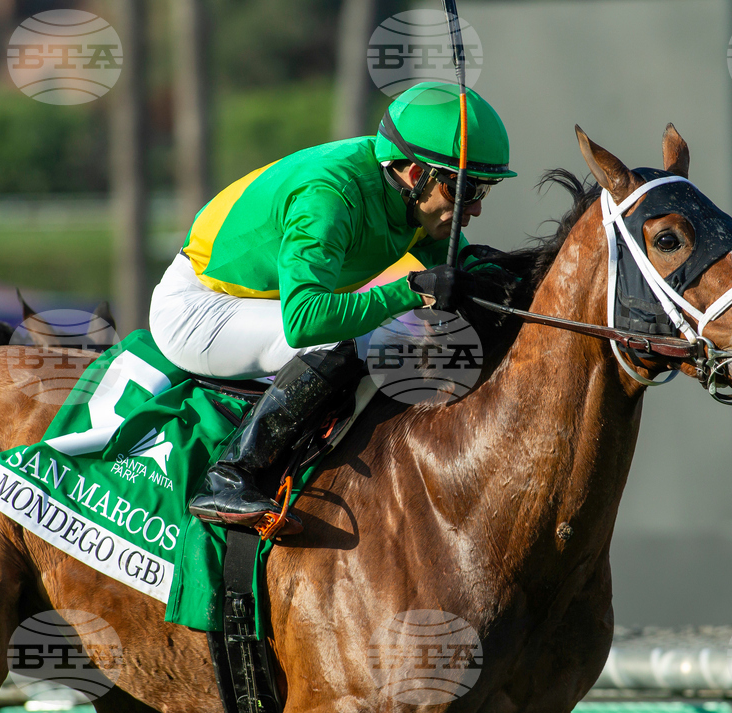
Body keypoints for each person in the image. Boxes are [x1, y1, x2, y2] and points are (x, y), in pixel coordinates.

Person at [149, 81, 516, 534]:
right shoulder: (330, 198)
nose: (474, 207)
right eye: (463, 188)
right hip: (198, 307)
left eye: (484, 190)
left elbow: (457, 265)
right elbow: (304, 322)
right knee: (347, 339)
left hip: (256, 303)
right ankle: (231, 477)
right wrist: (410, 290)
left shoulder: (413, 199)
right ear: (412, 172)